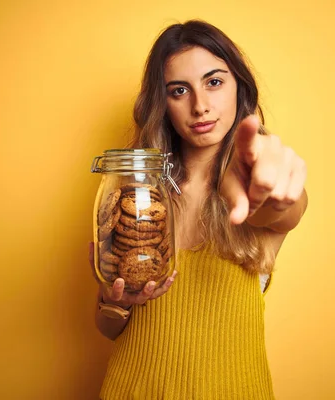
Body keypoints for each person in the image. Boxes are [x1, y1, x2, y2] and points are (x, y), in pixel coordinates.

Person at [90, 19, 308, 399]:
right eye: (179, 90)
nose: (200, 105)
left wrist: (274, 196)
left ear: (239, 86)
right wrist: (116, 300)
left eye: (214, 82)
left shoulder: (256, 186)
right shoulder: (134, 195)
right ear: (163, 103)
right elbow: (109, 329)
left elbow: (280, 209)